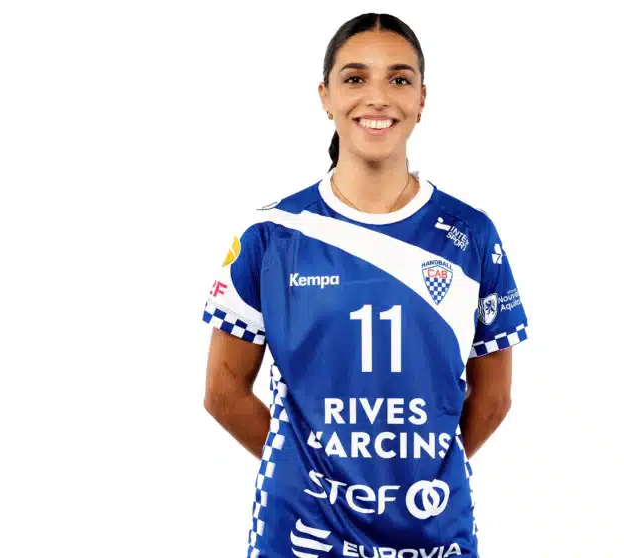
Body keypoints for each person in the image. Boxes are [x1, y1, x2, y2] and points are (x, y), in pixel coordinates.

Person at [202, 13, 529, 557]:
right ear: (325, 97)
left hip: (431, 537)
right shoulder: (270, 235)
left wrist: (414, 483)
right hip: (300, 536)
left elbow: (493, 399)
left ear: (422, 99)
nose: (378, 97)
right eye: (355, 78)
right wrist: (312, 477)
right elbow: (223, 392)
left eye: (399, 79)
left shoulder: (471, 235)